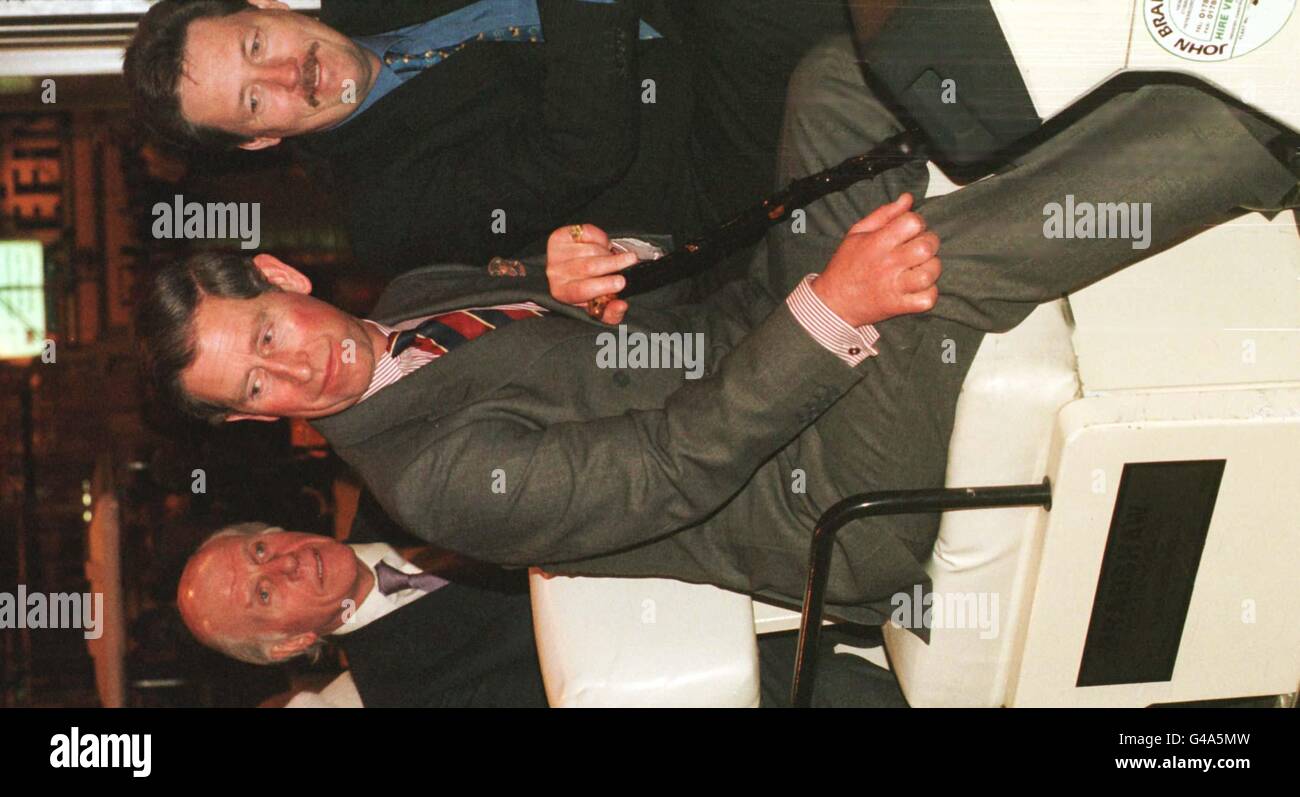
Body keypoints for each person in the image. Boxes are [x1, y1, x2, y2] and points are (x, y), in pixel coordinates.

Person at [140, 36, 1296, 628]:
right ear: (256, 419)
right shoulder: (430, 484)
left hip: (752, 343)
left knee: (837, 81)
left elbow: (667, 326)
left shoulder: (410, 297)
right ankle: (1259, 135)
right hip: (807, 500)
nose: (296, 363)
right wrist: (833, 304)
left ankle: (1168, 63)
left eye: (267, 328)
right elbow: (677, 459)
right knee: (930, 275)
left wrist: (625, 269)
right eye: (259, 385)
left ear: (285, 275)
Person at [122, 0, 853, 273]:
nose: (290, 72)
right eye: (255, 102)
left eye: (256, 43)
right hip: (701, 149)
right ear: (259, 143)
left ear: (268, 6)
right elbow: (581, 146)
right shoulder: (385, 213)